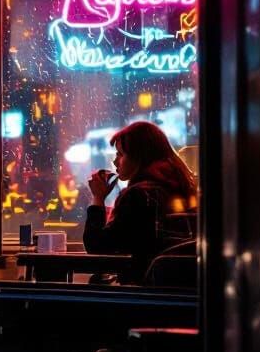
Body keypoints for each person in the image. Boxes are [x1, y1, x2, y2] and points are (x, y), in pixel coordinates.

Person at [84, 121, 197, 284]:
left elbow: (98, 249)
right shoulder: (188, 190)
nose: (115, 162)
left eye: (120, 154)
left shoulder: (138, 196)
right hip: (186, 296)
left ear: (139, 157)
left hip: (144, 295)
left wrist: (98, 198)